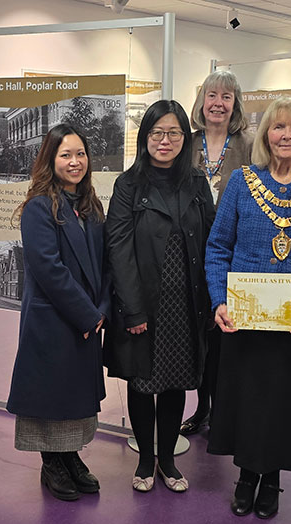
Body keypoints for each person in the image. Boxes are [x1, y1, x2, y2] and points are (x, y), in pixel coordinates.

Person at [205, 96, 291, 519]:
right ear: (266, 134)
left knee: (283, 400)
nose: (286, 135)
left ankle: (273, 478)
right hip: (244, 318)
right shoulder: (242, 182)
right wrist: (219, 301)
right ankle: (247, 474)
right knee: (245, 397)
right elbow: (217, 248)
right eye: (278, 127)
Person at [105, 100, 215, 493]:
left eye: (173, 133)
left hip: (186, 303)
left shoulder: (197, 184)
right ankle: (145, 461)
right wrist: (132, 309)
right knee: (142, 381)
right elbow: (117, 248)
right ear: (144, 137)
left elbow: (212, 240)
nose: (164, 141)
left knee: (174, 383)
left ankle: (167, 460)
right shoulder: (128, 184)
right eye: (157, 133)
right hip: (143, 304)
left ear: (185, 138)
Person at [6, 123, 111, 502]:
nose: (75, 161)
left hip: (86, 319)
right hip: (54, 319)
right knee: (50, 397)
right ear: (51, 160)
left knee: (74, 398)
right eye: (66, 154)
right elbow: (49, 269)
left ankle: (70, 457)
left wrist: (100, 311)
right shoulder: (38, 207)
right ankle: (51, 462)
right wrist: (87, 315)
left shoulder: (90, 206)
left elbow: (104, 265)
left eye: (80, 154)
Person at [180, 70, 253, 437]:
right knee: (199, 335)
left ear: (235, 103)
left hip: (233, 254)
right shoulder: (185, 142)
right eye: (212, 95)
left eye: (227, 96)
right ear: (201, 101)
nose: (218, 103)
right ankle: (202, 407)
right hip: (190, 253)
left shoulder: (249, 145)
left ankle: (226, 410)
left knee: (226, 335)